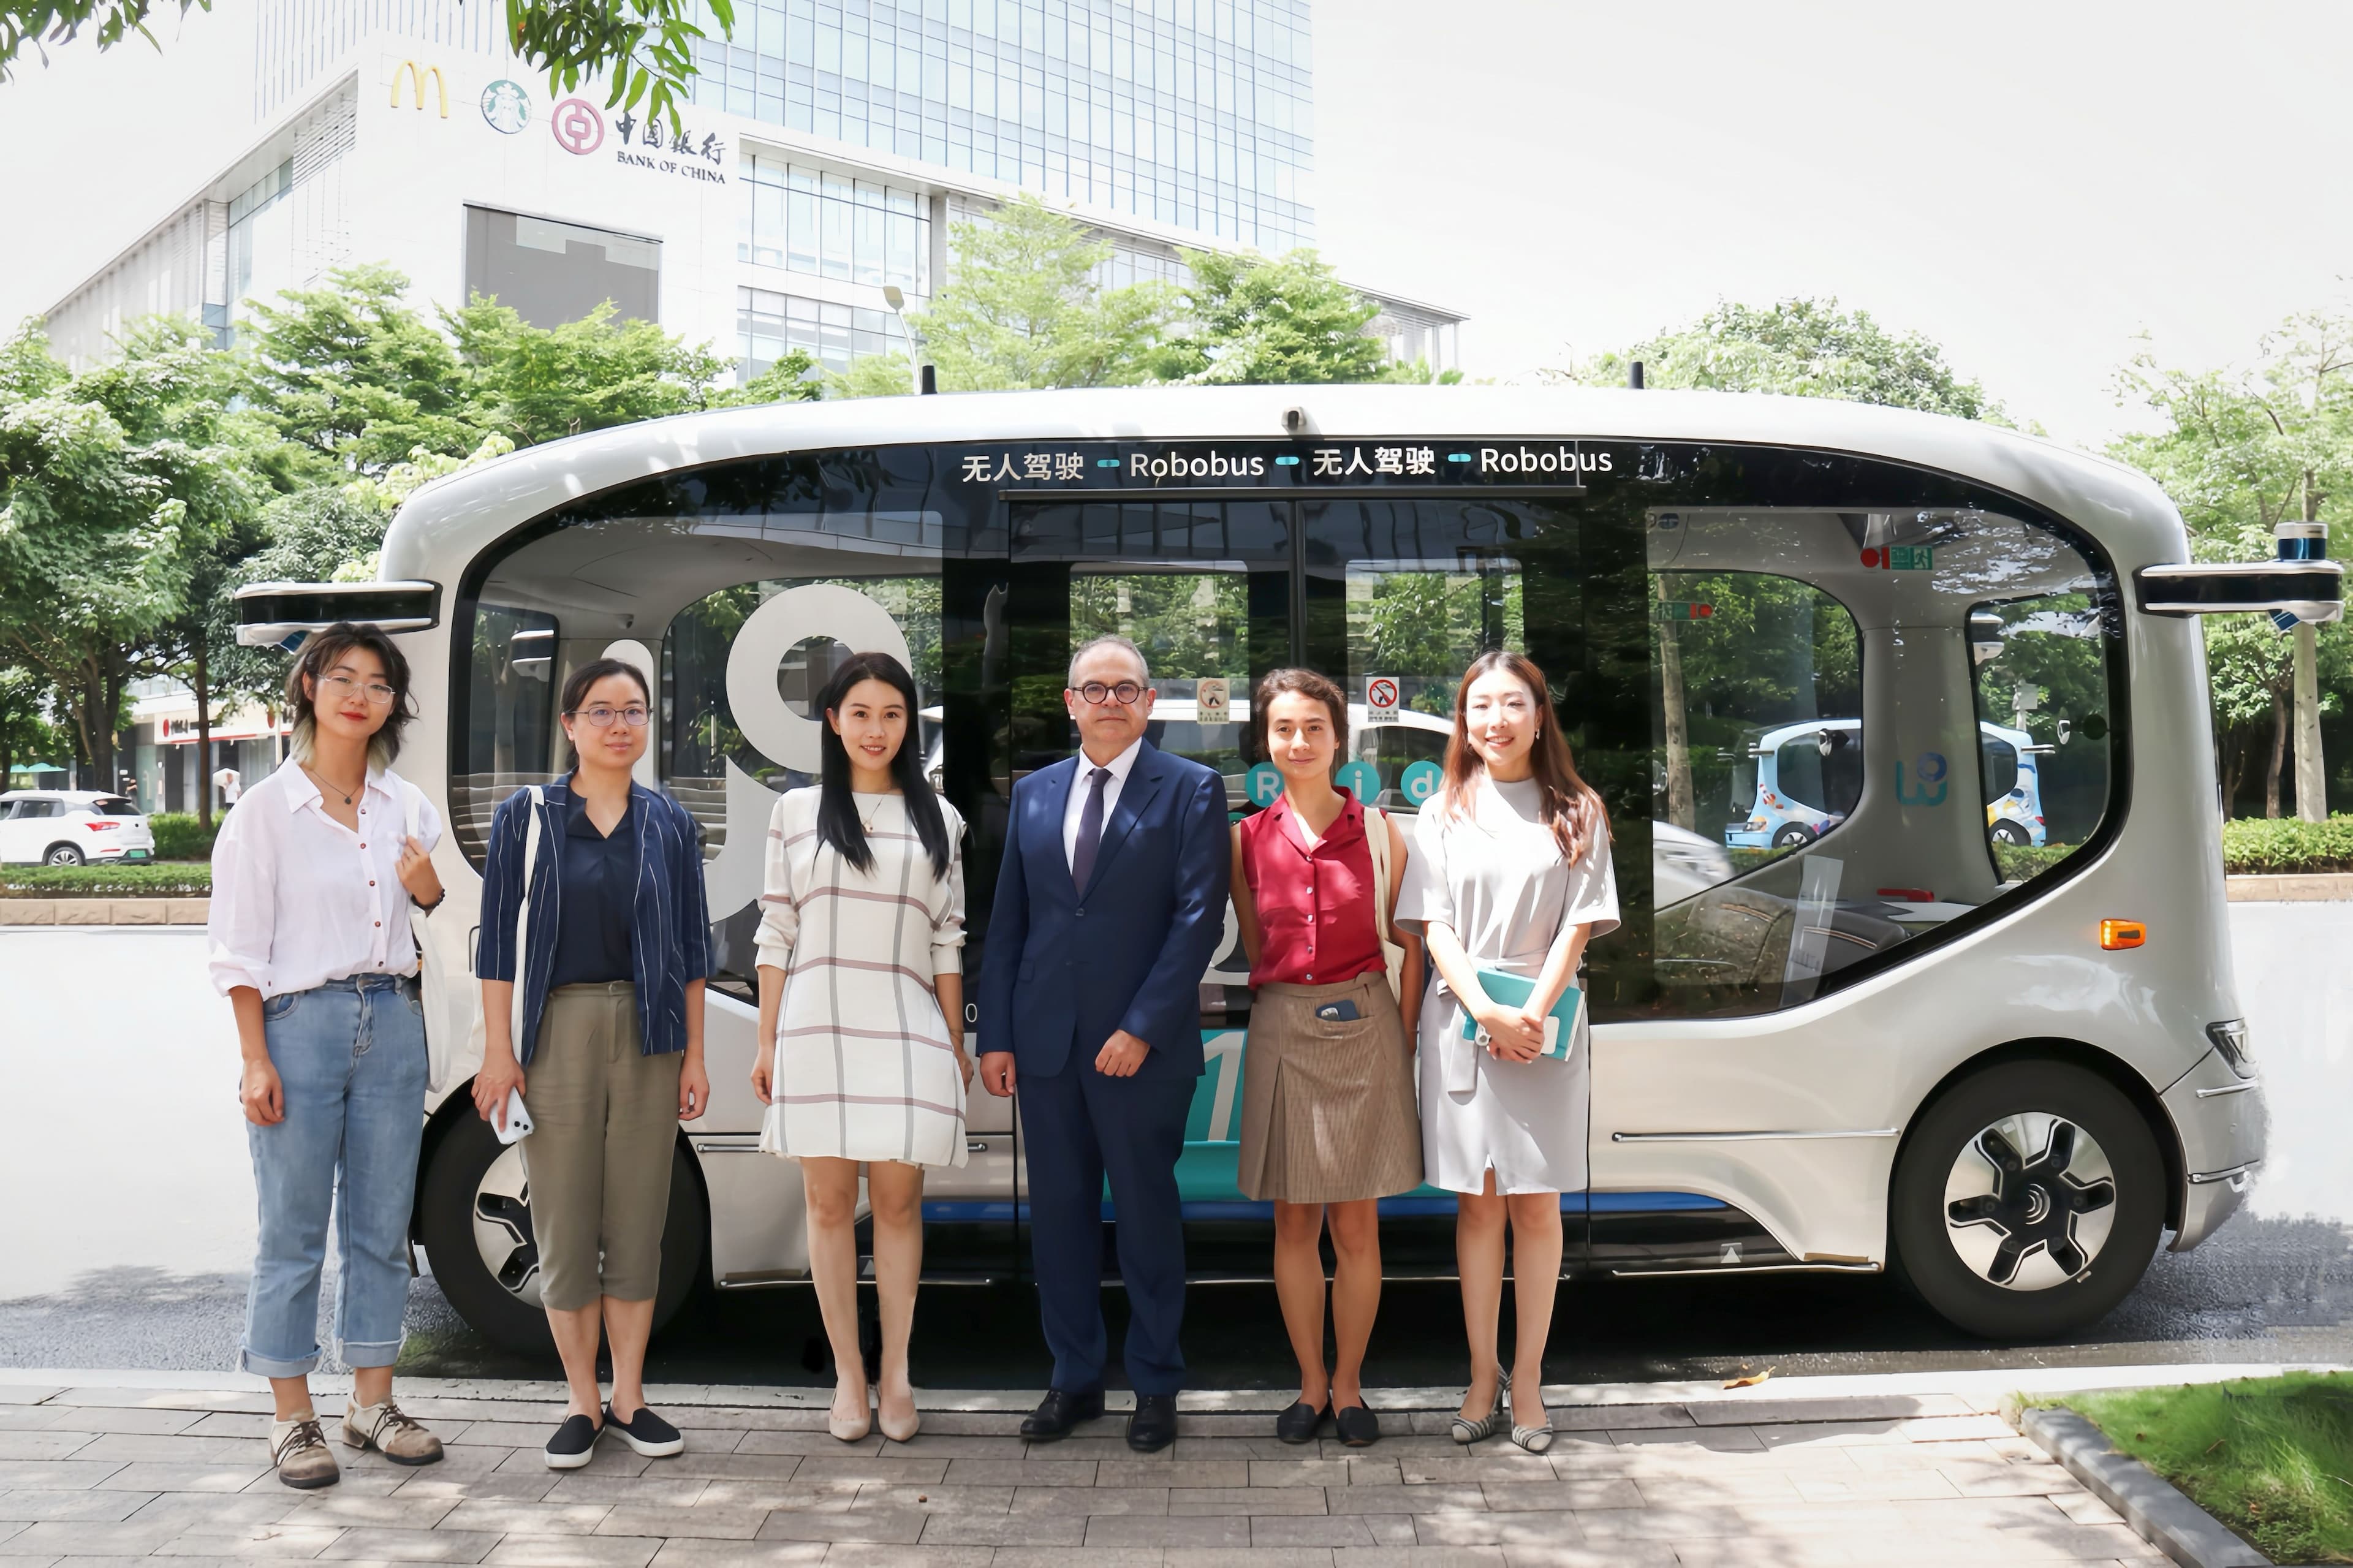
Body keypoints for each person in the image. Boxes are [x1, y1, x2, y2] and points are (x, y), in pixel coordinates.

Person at [207, 623, 450, 1490]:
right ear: (308, 686)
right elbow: (237, 950)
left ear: (393, 702)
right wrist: (254, 1057)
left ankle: (372, 1401)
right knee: (292, 1229)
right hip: (297, 1022)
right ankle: (291, 1414)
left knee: (383, 1228)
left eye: (378, 683)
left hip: (391, 1016)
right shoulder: (265, 812)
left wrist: (426, 889)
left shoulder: (407, 805)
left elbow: (431, 906)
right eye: (341, 676)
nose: (359, 694)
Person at [976, 635, 1230, 1453]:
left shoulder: (1192, 788)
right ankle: (1075, 1376)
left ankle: (1156, 1382)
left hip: (1141, 1049)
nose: (1110, 701)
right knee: (1058, 1218)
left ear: (1150, 702)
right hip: (1045, 1045)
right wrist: (999, 1033)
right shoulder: (1035, 793)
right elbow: (1011, 921)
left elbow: (1199, 919)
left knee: (1148, 1214)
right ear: (1070, 701)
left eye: (1127, 689)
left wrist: (1142, 1025)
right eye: (1095, 688)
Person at [471, 658, 714, 1471]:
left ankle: (632, 1395)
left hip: (651, 1032)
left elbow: (692, 948)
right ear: (570, 723)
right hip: (555, 1030)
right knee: (565, 1224)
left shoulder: (670, 822)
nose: (620, 724)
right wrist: (498, 1050)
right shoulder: (528, 816)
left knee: (639, 1222)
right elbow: (498, 940)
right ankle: (582, 1399)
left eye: (634, 710)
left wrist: (697, 1054)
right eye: (602, 710)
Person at [1392, 651, 1618, 1456]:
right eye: (1481, 705)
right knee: (1478, 1203)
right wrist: (1487, 1007)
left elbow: (1579, 927)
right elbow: (1436, 926)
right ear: (1465, 719)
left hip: (1544, 1027)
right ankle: (1482, 1375)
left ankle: (1528, 1379)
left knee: (1538, 1203)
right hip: (1465, 1018)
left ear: (1538, 712)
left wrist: (1529, 1012)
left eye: (1511, 703)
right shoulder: (1443, 808)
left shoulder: (1577, 808)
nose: (1496, 719)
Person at [751, 651, 974, 1444]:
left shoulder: (938, 818)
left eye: (892, 713)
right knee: (827, 1202)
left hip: (906, 1019)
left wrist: (953, 1044)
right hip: (815, 1018)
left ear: (909, 724)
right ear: (832, 722)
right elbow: (775, 931)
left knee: (901, 1201)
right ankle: (848, 1370)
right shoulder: (797, 811)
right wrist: (767, 1037)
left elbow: (948, 941)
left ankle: (898, 1370)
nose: (876, 728)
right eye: (860, 712)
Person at [1229, 668, 1425, 1448]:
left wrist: (1401, 1041)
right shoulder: (1242, 838)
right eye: (1284, 729)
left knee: (1358, 1227)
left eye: (1314, 727)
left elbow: (1409, 946)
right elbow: (1252, 943)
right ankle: (1309, 1383)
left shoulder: (1381, 833)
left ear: (1339, 738)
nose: (1299, 742)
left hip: (1368, 1022)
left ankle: (1350, 1387)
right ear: (1265, 741)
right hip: (1283, 1025)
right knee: (1292, 1222)